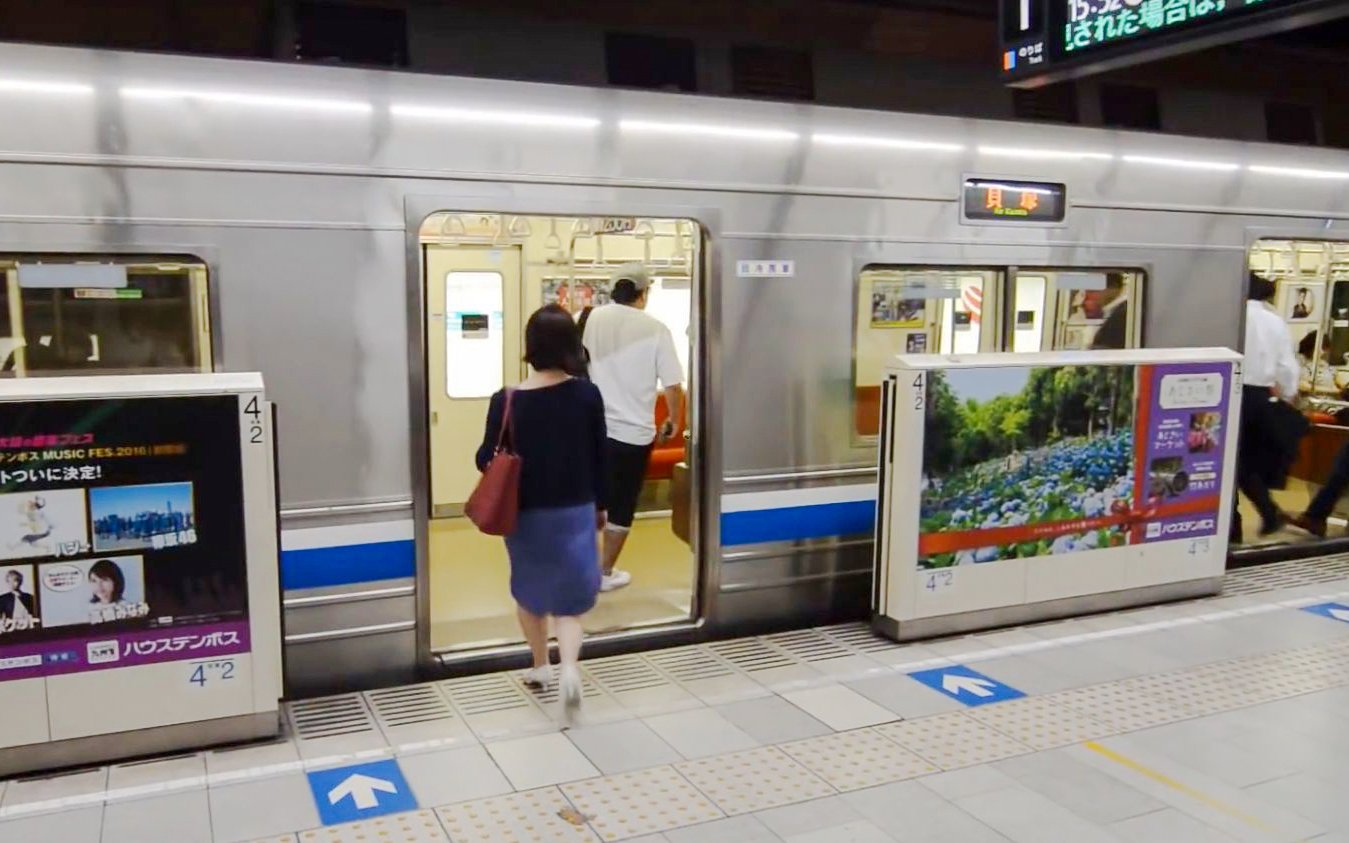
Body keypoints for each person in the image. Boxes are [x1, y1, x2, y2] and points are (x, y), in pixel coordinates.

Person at [476, 304, 606, 719]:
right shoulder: (587, 394)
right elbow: (600, 455)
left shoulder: (507, 400)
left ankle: (540, 667)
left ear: (529, 346)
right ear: (572, 345)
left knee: (530, 592)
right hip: (576, 510)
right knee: (570, 602)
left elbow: (484, 458)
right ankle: (570, 668)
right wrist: (601, 506)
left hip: (526, 514)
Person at [581, 263, 684, 592]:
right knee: (622, 504)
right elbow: (672, 384)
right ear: (643, 294)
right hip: (634, 435)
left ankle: (581, 566)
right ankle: (605, 572)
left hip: (594, 430)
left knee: (590, 499)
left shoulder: (593, 318)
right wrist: (673, 419)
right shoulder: (655, 328)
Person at [1233, 273, 1302, 541]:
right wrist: (1288, 394)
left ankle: (1236, 525)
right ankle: (1267, 513)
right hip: (1260, 397)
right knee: (1245, 462)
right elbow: (1286, 366)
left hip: (1231, 394)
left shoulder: (1231, 315)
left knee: (1228, 464)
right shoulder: (1274, 322)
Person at [1089, 273, 1129, 350]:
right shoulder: (1113, 312)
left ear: (1113, 288)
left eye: (1096, 290)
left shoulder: (1123, 314)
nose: (1093, 295)